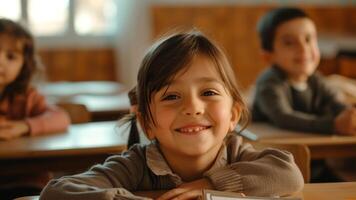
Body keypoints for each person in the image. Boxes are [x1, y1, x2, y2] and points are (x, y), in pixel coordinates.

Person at [40, 30, 304, 200]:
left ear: (233, 115)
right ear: (146, 123)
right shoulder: (134, 166)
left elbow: (288, 173)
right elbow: (57, 192)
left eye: (209, 92)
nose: (192, 107)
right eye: (171, 96)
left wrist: (206, 185)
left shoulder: (236, 153)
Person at [251, 7, 356, 183]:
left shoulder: (315, 80)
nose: (303, 48)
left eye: (309, 39)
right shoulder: (269, 83)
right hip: (273, 170)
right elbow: (283, 117)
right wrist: (334, 126)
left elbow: (336, 104)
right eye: (289, 43)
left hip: (315, 166)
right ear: (268, 57)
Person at [0, 18, 70, 199]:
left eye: (11, 56)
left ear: (24, 64)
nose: (1, 61)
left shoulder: (28, 97)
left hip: (29, 183)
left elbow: (61, 117)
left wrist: (24, 126)